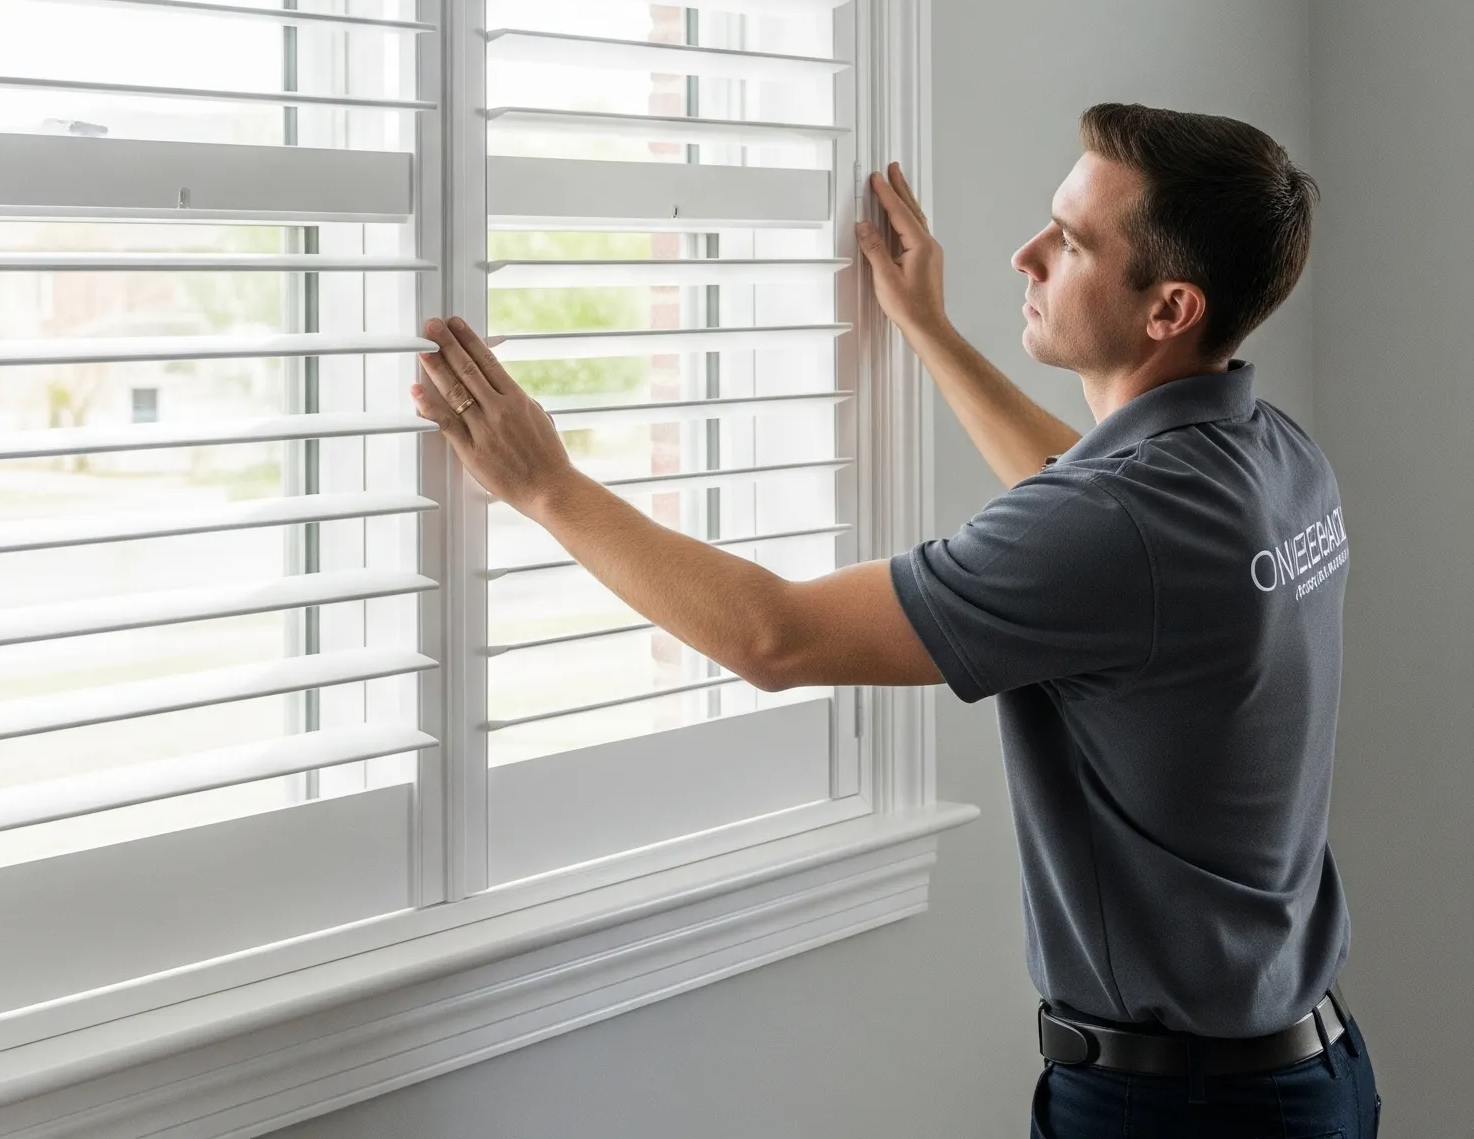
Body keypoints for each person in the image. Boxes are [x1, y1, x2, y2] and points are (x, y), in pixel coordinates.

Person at [413, 103, 1378, 1137]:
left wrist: (547, 485)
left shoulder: (1118, 527)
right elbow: (1081, 498)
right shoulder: (1267, 453)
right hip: (1307, 1066)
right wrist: (927, 326)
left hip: (1185, 1109)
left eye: (1070, 240)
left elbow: (773, 636)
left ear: (1166, 308)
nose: (1024, 252)